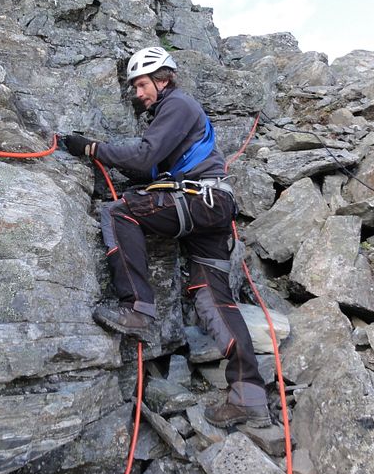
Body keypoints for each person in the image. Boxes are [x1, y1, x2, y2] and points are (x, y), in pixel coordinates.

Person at [63, 46, 270, 428]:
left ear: (163, 79)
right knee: (212, 300)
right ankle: (250, 398)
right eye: (133, 87)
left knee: (119, 211)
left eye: (141, 84)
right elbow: (152, 169)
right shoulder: (169, 116)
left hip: (201, 202)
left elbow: (143, 157)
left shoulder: (178, 105)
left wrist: (91, 148)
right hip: (211, 208)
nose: (137, 93)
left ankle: (138, 309)